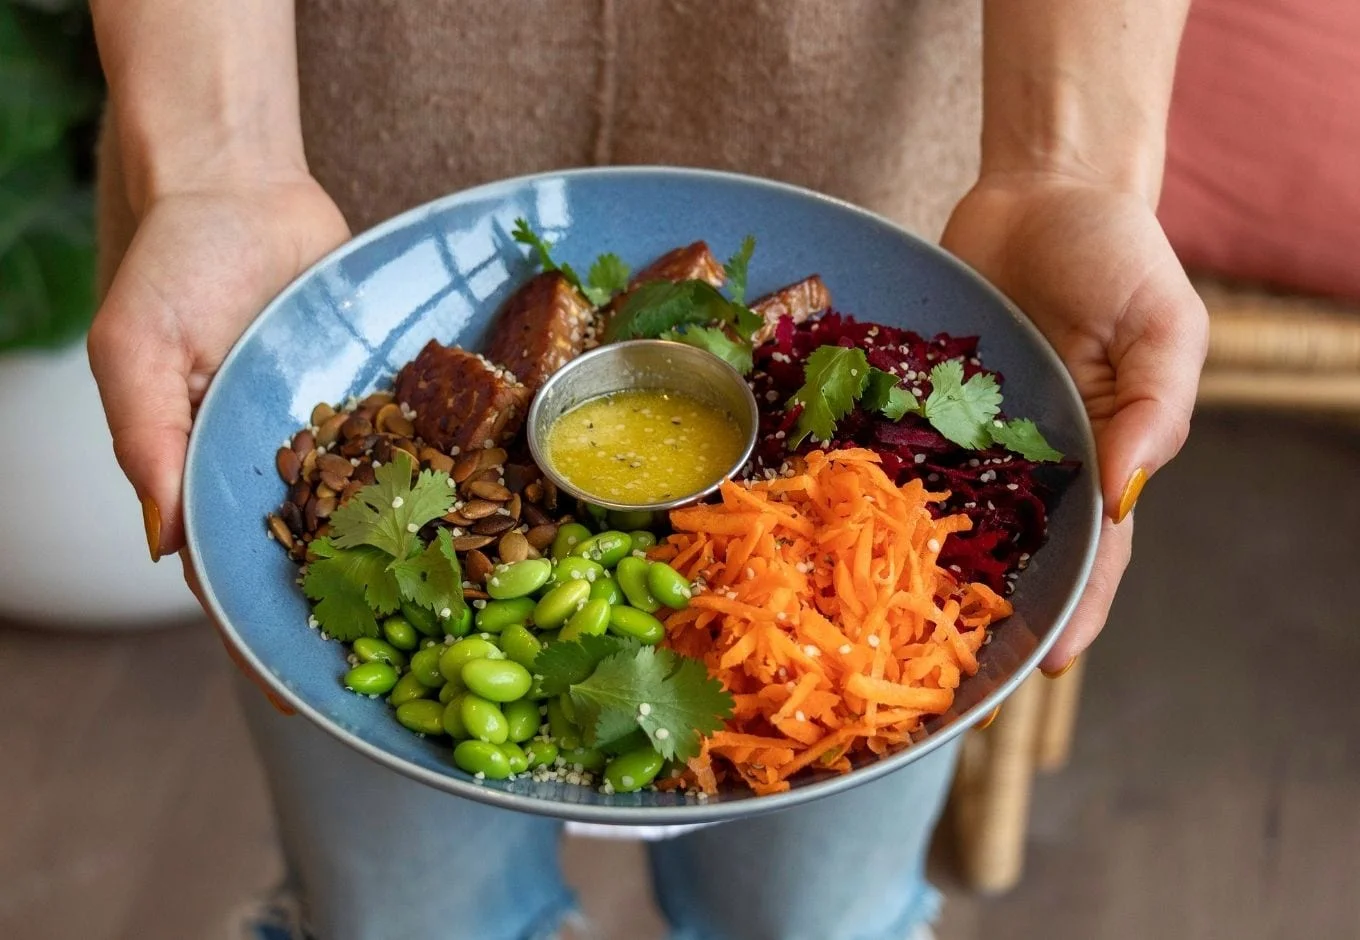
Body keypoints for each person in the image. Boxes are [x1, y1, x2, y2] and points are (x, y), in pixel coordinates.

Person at [86, 2, 1208, 938]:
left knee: (818, 914)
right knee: (401, 913)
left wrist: (1068, 170)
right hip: (342, 211)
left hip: (895, 189)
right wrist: (214, 161)